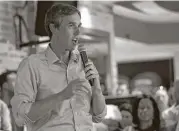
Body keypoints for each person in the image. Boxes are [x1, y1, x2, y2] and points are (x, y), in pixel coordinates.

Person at [11, 3, 107, 131]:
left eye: (79, 26)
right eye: (71, 25)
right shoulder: (31, 65)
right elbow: (20, 118)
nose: (78, 32)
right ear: (54, 28)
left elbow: (99, 117)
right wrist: (62, 96)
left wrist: (97, 90)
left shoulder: (84, 64)